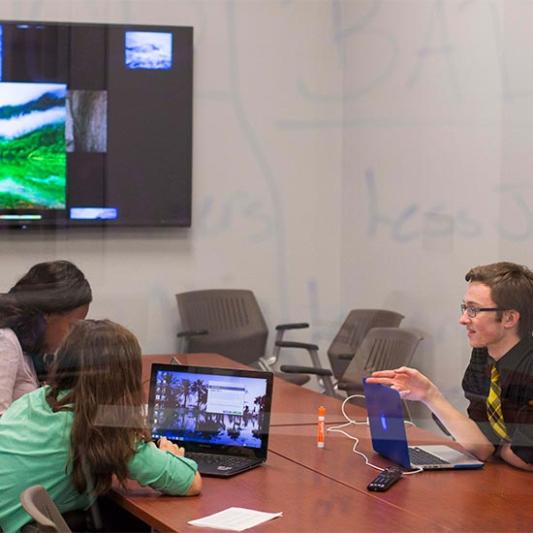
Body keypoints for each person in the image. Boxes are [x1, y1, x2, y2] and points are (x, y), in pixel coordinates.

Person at [0, 319, 202, 532]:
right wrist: (172, 458)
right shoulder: (102, 428)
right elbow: (191, 483)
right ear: (125, 378)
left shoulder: (34, 400)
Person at [368, 261, 533, 471]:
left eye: (473, 310)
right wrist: (429, 395)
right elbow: (482, 446)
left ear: (509, 318)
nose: (463, 319)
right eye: (465, 308)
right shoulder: (483, 355)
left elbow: (526, 458)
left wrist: (495, 446)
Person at [0, 260, 92, 415]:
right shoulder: (5, 342)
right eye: (72, 326)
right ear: (48, 314)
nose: (73, 337)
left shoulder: (28, 348)